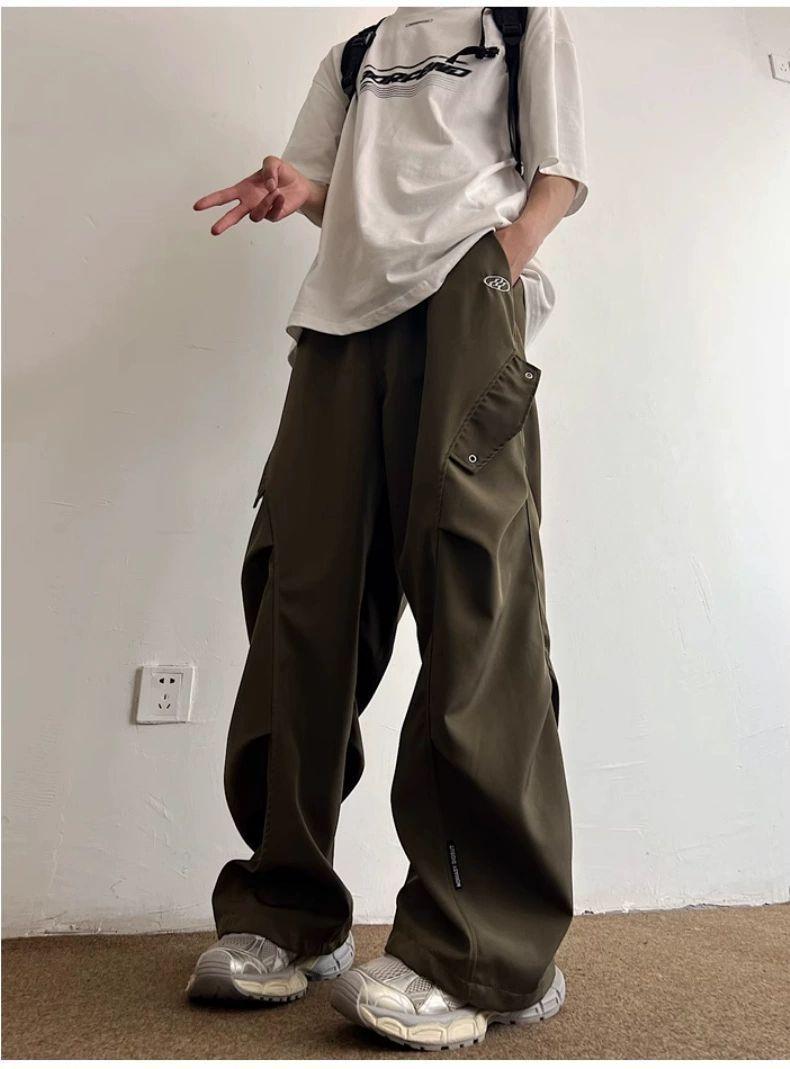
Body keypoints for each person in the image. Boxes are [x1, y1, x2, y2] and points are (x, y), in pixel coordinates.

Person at [187, 6, 588, 1052]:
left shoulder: (518, 19)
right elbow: (334, 192)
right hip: (338, 317)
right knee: (300, 599)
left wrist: (497, 259)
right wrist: (297, 191)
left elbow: (559, 175)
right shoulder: (356, 55)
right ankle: (288, 910)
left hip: (464, 300)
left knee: (473, 598)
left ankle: (482, 951)